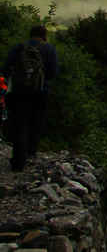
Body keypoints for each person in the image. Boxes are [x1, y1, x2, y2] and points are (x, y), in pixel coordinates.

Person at [2, 25, 59, 172]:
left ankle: (18, 161)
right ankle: (31, 154)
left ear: (30, 35)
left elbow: (5, 67)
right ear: (44, 36)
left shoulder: (20, 47)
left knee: (20, 124)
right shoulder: (49, 49)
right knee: (36, 122)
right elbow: (53, 73)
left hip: (19, 92)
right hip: (41, 92)